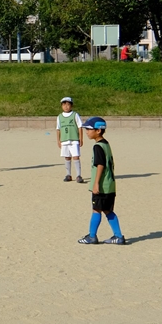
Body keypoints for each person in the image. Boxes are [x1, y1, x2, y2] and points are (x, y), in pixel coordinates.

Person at [78, 117, 126, 245]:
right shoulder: (106, 144)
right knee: (108, 210)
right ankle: (118, 236)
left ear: (98, 130)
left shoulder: (98, 147)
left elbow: (100, 165)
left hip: (102, 185)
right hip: (110, 185)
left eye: (89, 129)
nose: (87, 131)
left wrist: (96, 183)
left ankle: (92, 236)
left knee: (96, 210)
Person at [57, 97, 85, 183]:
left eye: (68, 104)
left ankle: (78, 175)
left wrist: (81, 138)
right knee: (67, 157)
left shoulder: (75, 115)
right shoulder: (59, 116)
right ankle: (68, 174)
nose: (66, 106)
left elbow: (80, 127)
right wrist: (58, 140)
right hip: (64, 140)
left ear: (71, 106)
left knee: (76, 157)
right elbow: (58, 129)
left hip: (74, 139)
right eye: (64, 104)